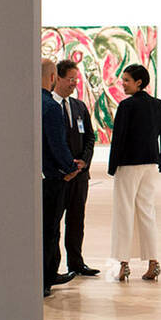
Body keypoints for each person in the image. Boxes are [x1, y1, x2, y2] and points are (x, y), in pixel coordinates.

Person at [108, 64, 161, 282]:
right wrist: (159, 161)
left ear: (138, 82)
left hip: (128, 164)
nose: (122, 83)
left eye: (126, 80)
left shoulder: (126, 106)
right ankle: (153, 262)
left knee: (123, 211)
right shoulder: (158, 105)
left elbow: (119, 138)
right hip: (150, 164)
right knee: (147, 211)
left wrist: (112, 166)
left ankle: (123, 265)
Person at [53, 59, 99, 277]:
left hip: (80, 176)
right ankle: (52, 268)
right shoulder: (49, 107)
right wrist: (65, 167)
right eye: (70, 79)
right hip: (59, 177)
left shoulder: (79, 106)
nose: (73, 83)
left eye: (76, 79)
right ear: (57, 78)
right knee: (54, 224)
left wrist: (83, 162)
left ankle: (76, 263)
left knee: (76, 220)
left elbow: (90, 137)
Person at [42, 58, 78, 297]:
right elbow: (57, 144)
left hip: (37, 177)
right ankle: (45, 279)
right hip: (52, 178)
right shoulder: (50, 106)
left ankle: (48, 274)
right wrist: (70, 167)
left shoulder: (28, 102)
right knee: (50, 229)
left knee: (45, 229)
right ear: (54, 77)